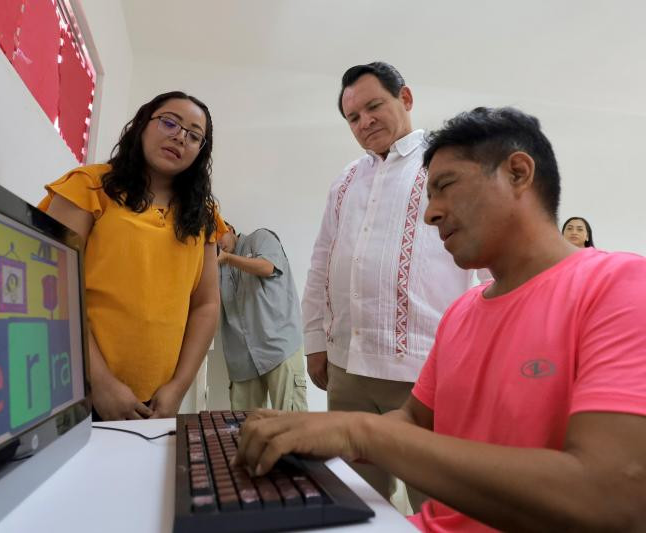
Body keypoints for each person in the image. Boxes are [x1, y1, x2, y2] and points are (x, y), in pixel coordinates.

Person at [234, 107, 646, 532]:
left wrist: (360, 433)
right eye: (429, 196)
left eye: (446, 186)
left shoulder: (619, 286)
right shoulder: (462, 313)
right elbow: (413, 420)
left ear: (518, 173)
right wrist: (310, 431)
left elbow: (612, 496)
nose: (430, 214)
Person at [301, 61, 486, 506]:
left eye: (373, 107)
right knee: (353, 500)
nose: (364, 123)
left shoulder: (445, 167)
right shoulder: (346, 180)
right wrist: (314, 342)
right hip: (348, 372)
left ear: (405, 99)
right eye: (353, 117)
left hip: (425, 372)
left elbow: (483, 265)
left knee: (438, 502)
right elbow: (322, 261)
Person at [38, 91, 225, 421]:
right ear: (142, 124)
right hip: (71, 386)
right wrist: (100, 383)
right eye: (169, 122)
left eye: (194, 136)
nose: (180, 137)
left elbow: (206, 305)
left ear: (201, 151)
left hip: (155, 403)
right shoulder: (90, 186)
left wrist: (179, 387)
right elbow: (49, 284)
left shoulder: (203, 216)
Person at [217, 222, 308, 412]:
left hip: (279, 347)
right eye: (211, 241)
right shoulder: (214, 266)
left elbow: (267, 267)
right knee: (243, 429)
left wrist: (227, 258)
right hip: (241, 358)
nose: (217, 243)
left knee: (291, 424)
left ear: (230, 229)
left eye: (218, 235)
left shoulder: (259, 238)